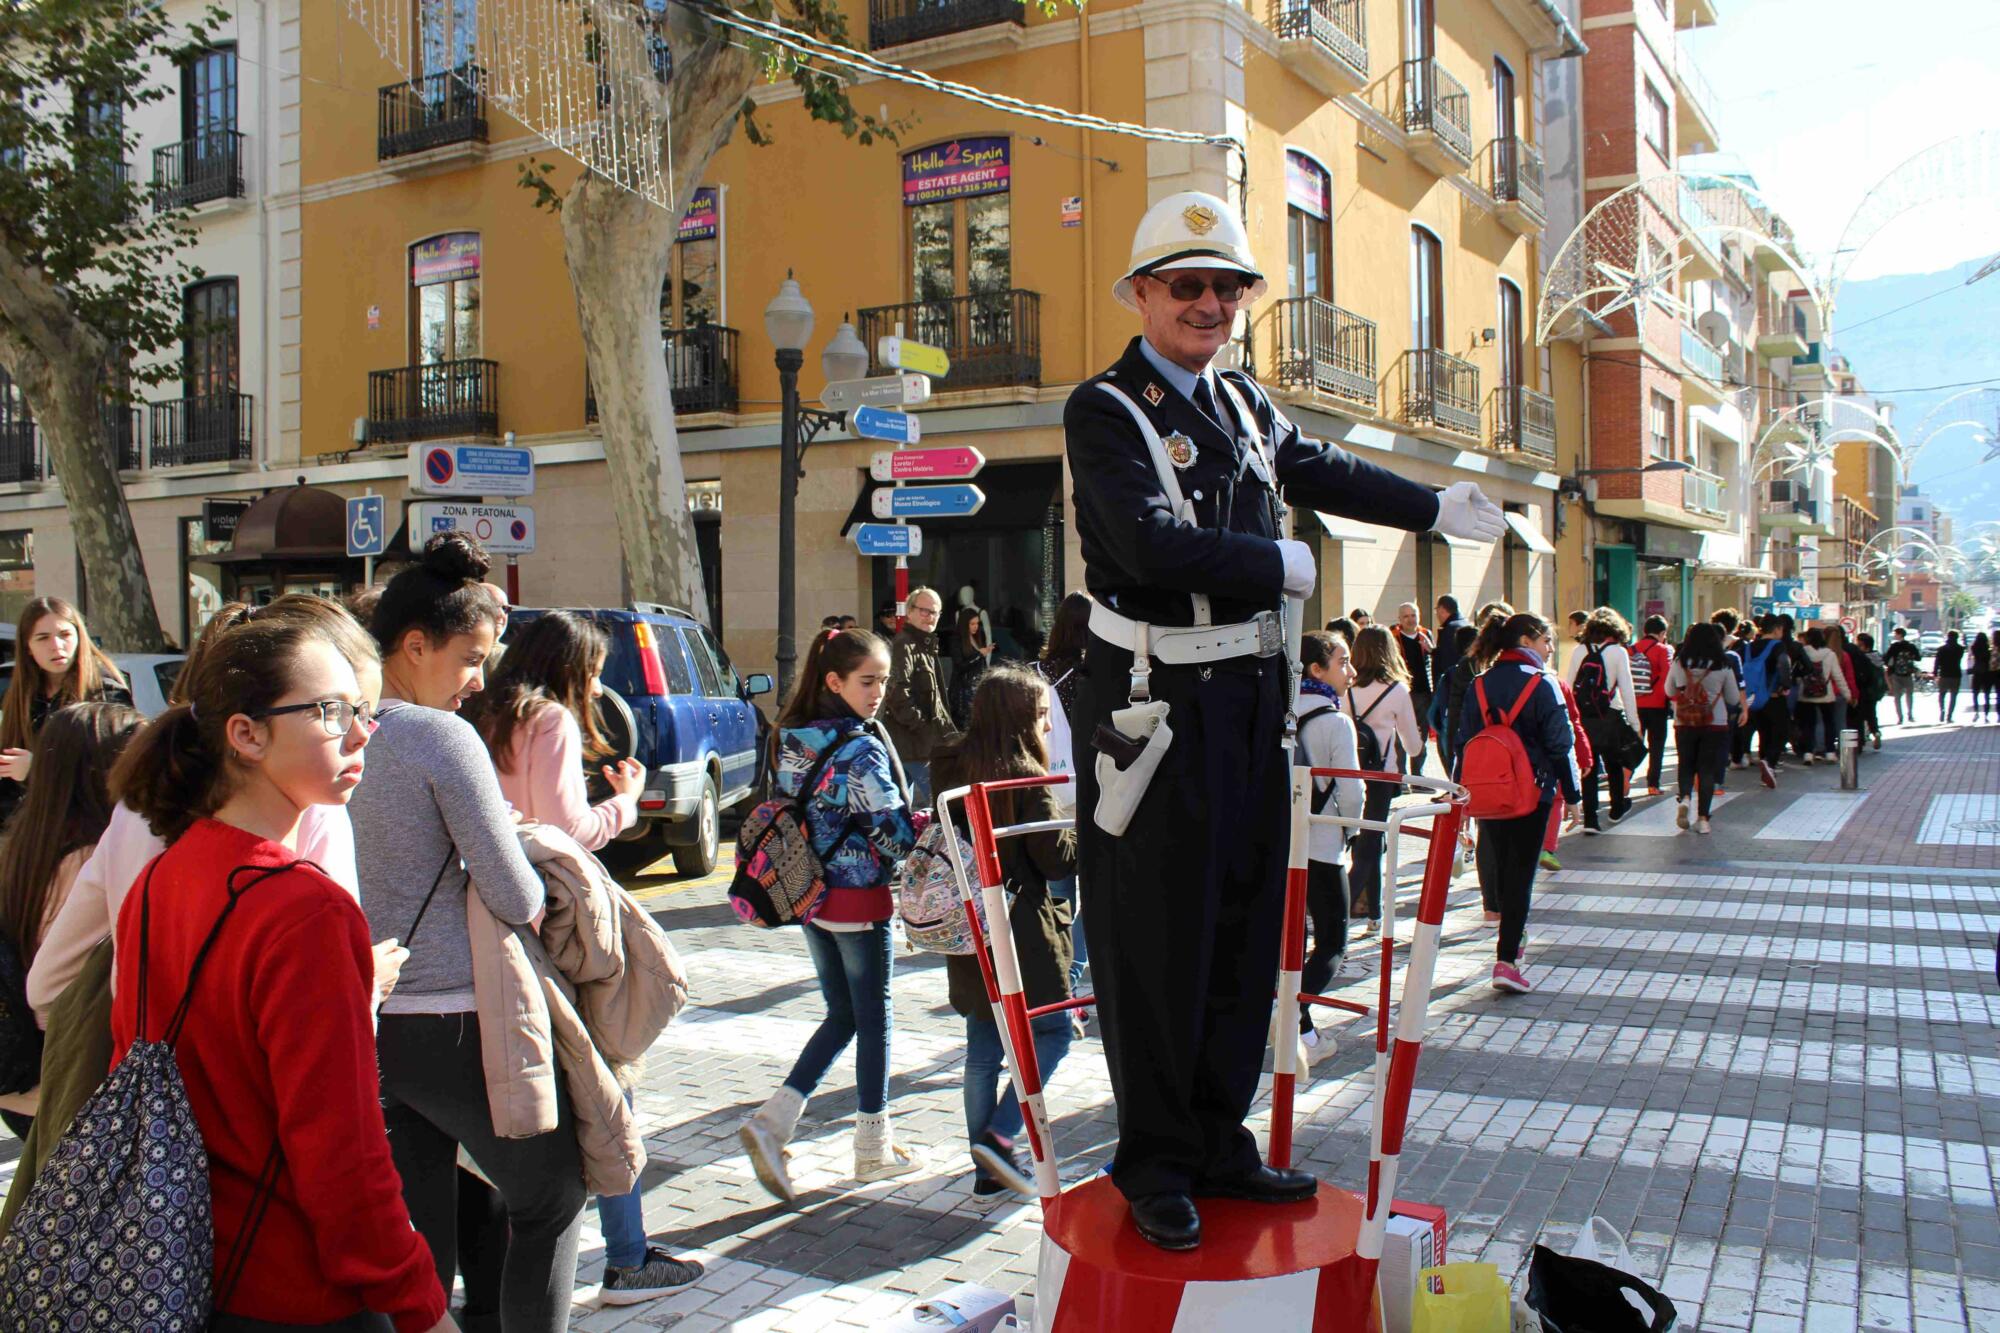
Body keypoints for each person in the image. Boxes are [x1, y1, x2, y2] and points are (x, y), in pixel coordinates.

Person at [1064, 189, 1504, 1250]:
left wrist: (1433, 505)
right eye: (1186, 285)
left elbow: (1325, 471)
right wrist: (1279, 562)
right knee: (1157, 935)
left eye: (1226, 286)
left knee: (1241, 926)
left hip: (1249, 702)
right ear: (1138, 294)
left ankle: (1217, 1140)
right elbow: (1145, 545)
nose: (1208, 303)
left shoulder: (1242, 403)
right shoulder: (1106, 407)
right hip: (1154, 707)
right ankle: (1155, 1156)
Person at [107, 607, 452, 1333]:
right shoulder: (307, 909)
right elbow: (345, 1162)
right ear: (246, 733)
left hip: (181, 1267)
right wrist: (422, 1306)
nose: (363, 732)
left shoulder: (160, 878)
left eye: (362, 709)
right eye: (331, 711)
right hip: (299, 1290)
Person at [350, 534, 584, 1333]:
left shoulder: (333, 734)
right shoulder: (436, 736)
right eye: (470, 657)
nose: (481, 679)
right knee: (552, 1194)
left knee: (423, 1234)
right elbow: (517, 893)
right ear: (413, 645)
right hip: (456, 1016)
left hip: (371, 1017)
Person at [471, 611, 700, 1304]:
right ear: (570, 668)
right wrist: (625, 802)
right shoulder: (550, 721)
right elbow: (567, 830)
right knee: (604, 1079)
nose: (600, 683)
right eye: (594, 669)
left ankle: (503, 1260)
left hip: (485, 918)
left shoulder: (480, 716)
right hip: (555, 923)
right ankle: (627, 1257)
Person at [739, 629, 922, 1203]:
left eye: (884, 681)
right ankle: (871, 1147)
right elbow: (892, 839)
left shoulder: (791, 737)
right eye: (868, 682)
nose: (878, 693)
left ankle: (774, 1122)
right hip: (859, 897)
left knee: (843, 1013)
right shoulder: (863, 749)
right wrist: (923, 829)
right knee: (874, 1019)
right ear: (834, 681)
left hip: (809, 897)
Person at [930, 668, 1075, 1200]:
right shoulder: (1026, 781)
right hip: (1023, 933)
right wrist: (1075, 828)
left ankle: (986, 1169)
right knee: (1055, 1032)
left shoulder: (949, 766)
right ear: (1019, 719)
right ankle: (999, 1134)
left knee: (983, 1047)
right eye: (1041, 716)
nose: (1047, 726)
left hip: (969, 926)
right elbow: (1055, 863)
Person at [0, 701, 141, 1137]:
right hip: (58, 1083)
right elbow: (51, 994)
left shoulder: (22, 842)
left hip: (20, 1078)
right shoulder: (89, 860)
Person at [1454, 614, 1581, 996]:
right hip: (1533, 792)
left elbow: (1462, 743)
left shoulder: (1479, 684)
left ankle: (1512, 933)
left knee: (1503, 864)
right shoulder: (1543, 684)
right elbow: (1561, 743)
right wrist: (1573, 796)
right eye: (1546, 639)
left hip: (1488, 789)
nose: (1550, 647)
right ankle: (1507, 960)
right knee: (1521, 874)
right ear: (1526, 640)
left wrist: (1460, 792)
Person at [0, 596, 132, 827]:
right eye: (43, 638)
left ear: (80, 638)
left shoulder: (105, 693)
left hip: (88, 832)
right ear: (27, 648)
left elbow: (114, 772)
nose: (57, 646)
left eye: (65, 635)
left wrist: (38, 769)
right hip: (31, 830)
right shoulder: (21, 696)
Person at [1293, 632, 1362, 1055]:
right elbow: (1352, 794)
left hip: (1278, 846)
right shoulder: (1336, 722)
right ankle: (1292, 1014)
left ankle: (1300, 1032)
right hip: (1321, 845)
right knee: (1333, 942)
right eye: (1343, 662)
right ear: (1317, 670)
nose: (1351, 671)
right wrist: (1350, 831)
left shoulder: (1276, 714)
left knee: (1289, 941)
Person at [1345, 625, 1424, 933]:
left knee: (1364, 843)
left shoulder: (1348, 687)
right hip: (1382, 777)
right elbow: (1413, 745)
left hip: (1349, 772)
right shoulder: (1396, 690)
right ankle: (1341, 917)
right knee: (1371, 844)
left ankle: (1375, 913)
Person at [1036, 591, 1092, 1012]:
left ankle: (1055, 975)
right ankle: (1070, 978)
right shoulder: (1095, 674)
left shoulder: (1036, 672)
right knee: (1094, 894)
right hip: (1090, 791)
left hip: (1048, 791)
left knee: (1058, 891)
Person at [1565, 609, 1640, 833]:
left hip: (1584, 718)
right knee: (1614, 764)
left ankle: (1590, 820)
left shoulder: (1580, 650)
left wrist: (1569, 719)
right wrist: (1635, 724)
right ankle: (1616, 809)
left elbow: (1569, 686)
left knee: (1588, 767)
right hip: (1610, 715)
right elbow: (1627, 690)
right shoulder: (1618, 652)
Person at [881, 586, 957, 807]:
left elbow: (937, 703)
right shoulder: (905, 644)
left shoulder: (924, 645)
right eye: (924, 611)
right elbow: (896, 692)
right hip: (914, 746)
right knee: (940, 808)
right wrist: (923, 728)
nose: (929, 617)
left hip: (920, 746)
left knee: (907, 807)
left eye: (934, 612)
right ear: (910, 611)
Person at [1665, 622, 1743, 834]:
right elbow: (1733, 698)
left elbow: (1668, 689)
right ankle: (1703, 820)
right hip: (1714, 723)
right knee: (1707, 769)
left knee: (1686, 765)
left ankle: (1686, 799)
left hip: (1684, 721)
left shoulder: (1680, 662)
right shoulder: (1723, 664)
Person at [1738, 615, 1789, 788]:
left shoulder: (1749, 647)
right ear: (1776, 629)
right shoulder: (1777, 646)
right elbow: (1783, 664)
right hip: (1773, 695)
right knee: (1781, 731)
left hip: (1753, 698)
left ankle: (1766, 769)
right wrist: (1785, 685)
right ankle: (1769, 762)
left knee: (1764, 732)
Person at [1629, 615, 1673, 795]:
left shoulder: (1630, 649)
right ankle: (1653, 784)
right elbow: (1667, 677)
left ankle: (1626, 774)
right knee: (1656, 745)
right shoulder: (1663, 650)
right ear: (1662, 633)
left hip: (1635, 704)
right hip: (1657, 705)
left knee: (1633, 743)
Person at [1798, 626, 1852, 763]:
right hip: (1826, 695)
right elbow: (1838, 676)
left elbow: (1797, 674)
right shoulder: (1830, 654)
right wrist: (1847, 694)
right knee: (1829, 723)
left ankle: (1808, 753)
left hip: (1806, 695)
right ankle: (1829, 752)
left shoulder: (1803, 652)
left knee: (1808, 725)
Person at [1393, 603, 1434, 775]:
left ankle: (1418, 774)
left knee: (1421, 735)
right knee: (1400, 735)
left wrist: (1431, 650)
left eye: (1413, 615)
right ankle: (1401, 774)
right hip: (1404, 693)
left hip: (1424, 693)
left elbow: (1433, 660)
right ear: (1400, 619)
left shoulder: (1425, 635)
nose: (1410, 620)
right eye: (1406, 616)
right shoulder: (1394, 636)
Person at [1427, 595, 1471, 743]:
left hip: (1453, 694)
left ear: (1441, 610)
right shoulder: (1465, 624)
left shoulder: (1450, 629)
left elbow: (1447, 664)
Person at [1851, 632, 1888, 750]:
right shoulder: (1877, 656)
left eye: (1859, 645)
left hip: (1864, 691)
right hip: (1875, 692)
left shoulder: (1862, 658)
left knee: (1860, 716)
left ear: (1865, 646)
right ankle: (1875, 732)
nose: (1857, 647)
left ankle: (1861, 740)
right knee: (1872, 714)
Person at [1884, 627, 1922, 725]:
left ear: (1899, 635)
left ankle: (1900, 718)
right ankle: (1910, 714)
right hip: (1908, 674)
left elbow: (1886, 658)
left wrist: (1890, 666)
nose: (1894, 635)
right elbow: (1918, 658)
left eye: (1896, 634)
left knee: (1897, 697)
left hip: (1896, 675)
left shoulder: (1894, 646)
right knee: (1909, 695)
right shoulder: (1911, 646)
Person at [1935, 630, 1964, 724]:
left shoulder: (1941, 649)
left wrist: (1935, 672)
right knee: (1953, 695)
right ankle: (1949, 716)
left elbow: (1937, 662)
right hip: (1955, 674)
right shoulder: (1960, 649)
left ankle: (1942, 710)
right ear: (1957, 637)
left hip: (1944, 674)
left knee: (1942, 694)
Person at [1969, 632, 1994, 723]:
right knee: (1987, 695)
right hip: (1987, 673)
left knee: (1975, 694)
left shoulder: (1974, 648)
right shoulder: (1989, 650)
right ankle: (1986, 715)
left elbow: (1970, 658)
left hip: (1977, 672)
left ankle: (1976, 712)